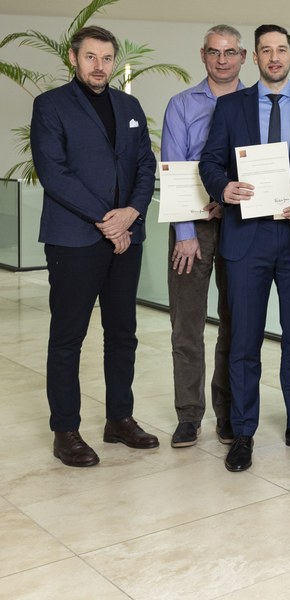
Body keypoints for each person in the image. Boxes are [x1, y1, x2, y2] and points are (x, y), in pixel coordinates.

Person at [199, 24, 290, 473]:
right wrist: (225, 186)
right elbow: (210, 161)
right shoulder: (231, 106)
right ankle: (242, 431)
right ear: (253, 58)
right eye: (265, 51)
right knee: (244, 340)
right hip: (246, 237)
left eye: (281, 50)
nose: (274, 57)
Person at [30, 25, 159, 467]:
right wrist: (109, 220)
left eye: (106, 59)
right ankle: (65, 429)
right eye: (90, 57)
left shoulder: (130, 105)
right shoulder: (50, 106)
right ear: (73, 58)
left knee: (122, 333)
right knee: (68, 337)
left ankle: (119, 419)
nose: (99, 66)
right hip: (76, 239)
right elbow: (55, 172)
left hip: (127, 237)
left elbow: (146, 163)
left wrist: (132, 213)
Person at [162, 24, 245, 448]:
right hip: (190, 230)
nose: (222, 59)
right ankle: (189, 416)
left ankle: (227, 413)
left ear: (242, 57)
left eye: (230, 52)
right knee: (187, 326)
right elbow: (174, 167)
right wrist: (185, 231)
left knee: (235, 324)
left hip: (239, 225)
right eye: (214, 52)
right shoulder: (180, 105)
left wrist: (227, 199)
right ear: (203, 54)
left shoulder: (255, 105)